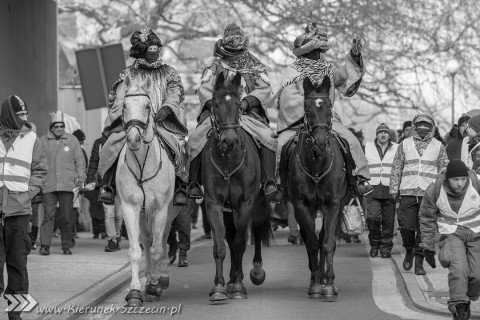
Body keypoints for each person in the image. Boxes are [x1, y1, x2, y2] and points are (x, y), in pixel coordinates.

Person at [187, 22, 279, 203]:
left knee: (268, 136)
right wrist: (215, 105)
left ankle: (269, 181)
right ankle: (194, 183)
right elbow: (205, 88)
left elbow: (265, 88)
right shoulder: (213, 65)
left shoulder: (254, 64)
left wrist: (247, 101)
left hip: (248, 113)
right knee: (196, 137)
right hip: (220, 115)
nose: (235, 54)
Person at [276, 23, 372, 196]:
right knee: (279, 145)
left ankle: (358, 180)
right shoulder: (292, 70)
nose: (318, 53)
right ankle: (277, 185)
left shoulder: (328, 68)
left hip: (327, 119)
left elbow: (344, 76)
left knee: (351, 140)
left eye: (319, 49)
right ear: (305, 50)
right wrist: (309, 109)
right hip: (298, 121)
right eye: (315, 49)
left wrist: (355, 56)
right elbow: (287, 98)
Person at [98, 27, 189, 206]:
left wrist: (167, 109)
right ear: (143, 51)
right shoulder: (128, 74)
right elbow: (118, 98)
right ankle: (108, 186)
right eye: (151, 49)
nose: (155, 53)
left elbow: (176, 92)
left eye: (157, 49)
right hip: (133, 124)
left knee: (182, 147)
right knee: (110, 146)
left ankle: (181, 186)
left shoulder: (169, 72)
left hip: (163, 123)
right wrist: (119, 119)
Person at [0, 95, 47, 320]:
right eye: (20, 114)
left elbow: (40, 170)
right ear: (9, 114)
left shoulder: (31, 139)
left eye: (25, 114)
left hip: (18, 212)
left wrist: (27, 195)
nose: (24, 118)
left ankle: (15, 313)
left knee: (18, 263)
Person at [419, 160, 480, 320]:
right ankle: (459, 306)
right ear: (447, 179)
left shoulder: (477, 182)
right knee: (459, 270)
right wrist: (428, 246)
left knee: (477, 275)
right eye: (455, 180)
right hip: (451, 233)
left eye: (463, 179)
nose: (460, 184)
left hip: (476, 232)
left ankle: (467, 295)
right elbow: (426, 218)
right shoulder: (435, 189)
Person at [390, 113, 449, 275]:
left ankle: (418, 260)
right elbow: (396, 167)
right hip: (407, 191)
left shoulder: (439, 146)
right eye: (420, 125)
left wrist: (443, 193)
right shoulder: (405, 144)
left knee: (424, 229)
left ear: (432, 128)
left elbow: (444, 170)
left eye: (427, 125)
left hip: (428, 195)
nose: (423, 128)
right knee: (406, 226)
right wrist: (393, 189)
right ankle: (409, 250)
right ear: (415, 127)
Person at [39, 111, 86, 255]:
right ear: (51, 128)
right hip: (49, 185)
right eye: (56, 126)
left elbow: (80, 161)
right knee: (48, 216)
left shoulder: (72, 140)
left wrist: (81, 180)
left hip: (67, 185)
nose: (59, 128)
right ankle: (45, 245)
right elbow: (38, 162)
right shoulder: (42, 141)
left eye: (61, 126)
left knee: (67, 216)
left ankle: (65, 245)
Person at [365, 124, 398, 258]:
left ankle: (385, 248)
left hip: (390, 189)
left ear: (389, 135)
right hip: (372, 188)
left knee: (388, 221)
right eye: (380, 132)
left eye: (386, 132)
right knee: (372, 218)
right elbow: (361, 165)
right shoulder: (368, 147)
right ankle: (374, 244)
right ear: (377, 135)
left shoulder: (397, 148)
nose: (383, 135)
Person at [167, 198, 195, 267]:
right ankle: (172, 244)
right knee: (166, 222)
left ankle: (183, 252)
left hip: (185, 191)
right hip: (167, 192)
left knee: (184, 220)